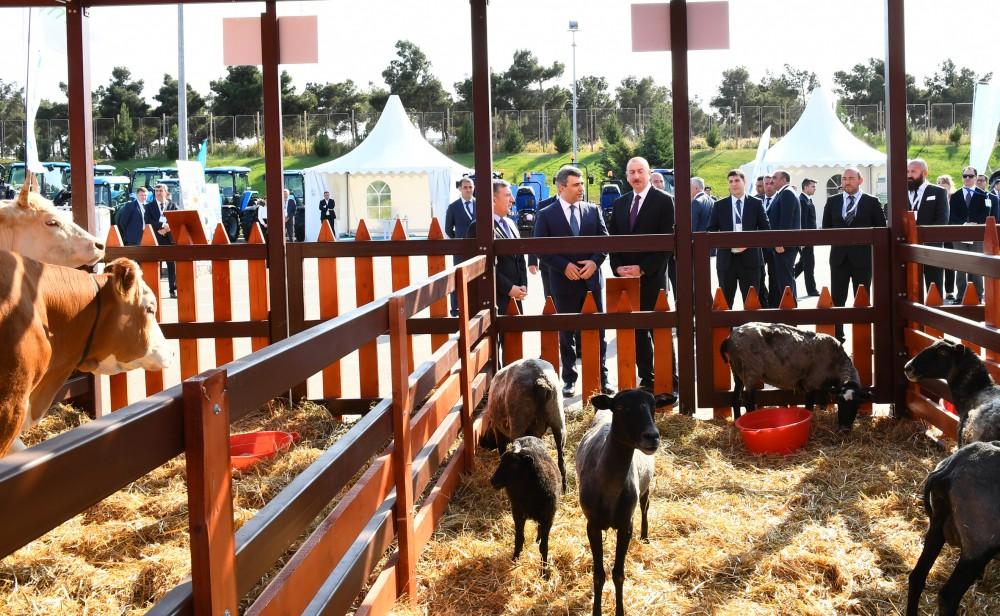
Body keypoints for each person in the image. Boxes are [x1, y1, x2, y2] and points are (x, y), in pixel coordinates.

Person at [532, 165, 612, 397]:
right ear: (561, 187)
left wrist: (594, 263)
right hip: (563, 283)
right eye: (576, 185)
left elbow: (605, 241)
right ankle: (569, 379)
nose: (581, 189)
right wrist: (563, 266)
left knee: (598, 331)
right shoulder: (546, 214)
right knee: (566, 333)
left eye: (582, 184)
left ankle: (602, 377)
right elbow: (540, 248)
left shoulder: (593, 210)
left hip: (591, 282)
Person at [608, 156, 675, 393]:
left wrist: (643, 268)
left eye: (640, 171)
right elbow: (612, 240)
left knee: (659, 331)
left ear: (649, 173)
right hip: (626, 280)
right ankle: (647, 378)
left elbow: (667, 243)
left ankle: (670, 381)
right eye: (631, 172)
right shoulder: (620, 203)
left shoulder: (665, 201)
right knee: (636, 333)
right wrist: (617, 267)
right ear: (626, 176)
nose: (636, 176)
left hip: (653, 278)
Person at [822, 167, 886, 342]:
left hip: (863, 260)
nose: (847, 182)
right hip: (838, 259)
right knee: (837, 299)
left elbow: (881, 230)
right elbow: (825, 229)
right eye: (844, 179)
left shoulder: (872, 202)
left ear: (860, 180)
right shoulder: (833, 201)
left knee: (862, 300)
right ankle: (837, 337)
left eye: (851, 178)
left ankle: (863, 336)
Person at [707, 169, 769, 308]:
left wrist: (748, 243)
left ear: (744, 182)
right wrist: (728, 243)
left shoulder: (756, 203)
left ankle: (751, 324)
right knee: (725, 303)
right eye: (730, 181)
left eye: (737, 180)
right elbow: (711, 230)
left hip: (750, 260)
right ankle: (726, 324)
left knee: (752, 303)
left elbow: (765, 230)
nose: (734, 184)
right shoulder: (719, 205)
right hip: (726, 261)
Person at [466, 180, 527, 320]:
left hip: (516, 296)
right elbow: (484, 265)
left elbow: (520, 258)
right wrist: (509, 288)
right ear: (493, 199)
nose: (512, 200)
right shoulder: (478, 227)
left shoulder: (511, 223)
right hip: (494, 298)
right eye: (508, 195)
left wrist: (523, 284)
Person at [947, 166, 990, 302]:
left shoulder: (983, 195)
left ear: (976, 178)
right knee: (960, 266)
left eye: (970, 176)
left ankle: (978, 295)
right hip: (960, 234)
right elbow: (951, 215)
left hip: (977, 235)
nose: (967, 178)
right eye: (965, 176)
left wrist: (975, 223)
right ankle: (960, 296)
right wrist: (964, 224)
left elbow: (986, 213)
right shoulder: (955, 195)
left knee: (977, 265)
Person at [907, 158, 949, 292]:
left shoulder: (938, 192)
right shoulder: (900, 192)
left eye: (913, 171)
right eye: (908, 171)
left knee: (934, 289)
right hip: (907, 248)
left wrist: (926, 239)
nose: (909, 175)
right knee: (910, 289)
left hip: (931, 249)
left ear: (925, 173)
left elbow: (942, 220)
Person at [763, 169, 801, 306]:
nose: (771, 180)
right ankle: (788, 308)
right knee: (783, 279)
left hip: (784, 247)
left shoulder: (787, 193)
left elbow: (786, 220)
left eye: (775, 177)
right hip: (782, 245)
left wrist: (780, 242)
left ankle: (790, 309)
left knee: (785, 280)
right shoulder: (783, 193)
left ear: (784, 180)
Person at [445, 177, 477, 315]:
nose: (468, 190)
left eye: (470, 187)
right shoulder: (453, 207)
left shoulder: (481, 204)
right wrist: (459, 240)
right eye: (465, 187)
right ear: (460, 188)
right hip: (460, 251)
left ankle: (475, 304)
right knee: (458, 277)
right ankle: (456, 308)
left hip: (478, 248)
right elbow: (448, 229)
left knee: (477, 277)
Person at [145, 183, 179, 298]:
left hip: (169, 239)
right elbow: (148, 221)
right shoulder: (149, 206)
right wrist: (162, 225)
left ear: (166, 192)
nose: (158, 193)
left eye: (161, 191)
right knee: (155, 266)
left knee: (171, 265)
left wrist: (167, 229)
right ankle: (153, 292)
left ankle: (172, 290)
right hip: (155, 238)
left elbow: (177, 219)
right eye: (156, 191)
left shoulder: (173, 205)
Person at [528, 193, 559, 300]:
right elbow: (535, 232)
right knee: (551, 300)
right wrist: (532, 260)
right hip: (548, 263)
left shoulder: (579, 203)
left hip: (574, 265)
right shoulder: (544, 205)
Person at [793, 178, 819, 297]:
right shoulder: (802, 201)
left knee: (803, 263)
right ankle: (811, 290)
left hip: (809, 238)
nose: (814, 189)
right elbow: (802, 222)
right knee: (809, 264)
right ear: (806, 187)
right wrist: (802, 240)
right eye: (813, 186)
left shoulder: (807, 200)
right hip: (805, 239)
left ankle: (786, 279)